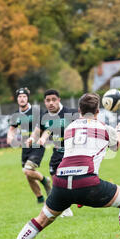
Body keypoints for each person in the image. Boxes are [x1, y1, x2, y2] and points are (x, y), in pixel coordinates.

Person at [0, 93, 120, 239]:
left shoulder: (69, 128)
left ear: (79, 110)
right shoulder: (104, 128)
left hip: (61, 183)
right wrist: (118, 130)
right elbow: (115, 147)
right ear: (97, 111)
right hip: (87, 183)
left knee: (42, 218)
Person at [28, 89, 78, 217]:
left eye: (53, 100)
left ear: (59, 100)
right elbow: (36, 132)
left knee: (70, 179)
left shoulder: (71, 113)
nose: (51, 103)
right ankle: (66, 207)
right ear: (44, 102)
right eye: (48, 100)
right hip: (57, 152)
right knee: (56, 180)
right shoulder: (44, 117)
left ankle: (76, 199)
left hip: (73, 152)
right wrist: (31, 139)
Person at [7, 87, 52, 203]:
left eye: (24, 97)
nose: (22, 99)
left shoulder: (36, 111)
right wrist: (10, 137)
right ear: (17, 99)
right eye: (20, 97)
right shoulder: (16, 115)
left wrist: (34, 137)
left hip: (37, 146)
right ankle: (40, 198)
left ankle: (44, 181)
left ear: (28, 98)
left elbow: (44, 127)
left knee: (27, 170)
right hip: (25, 147)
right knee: (29, 176)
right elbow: (12, 128)